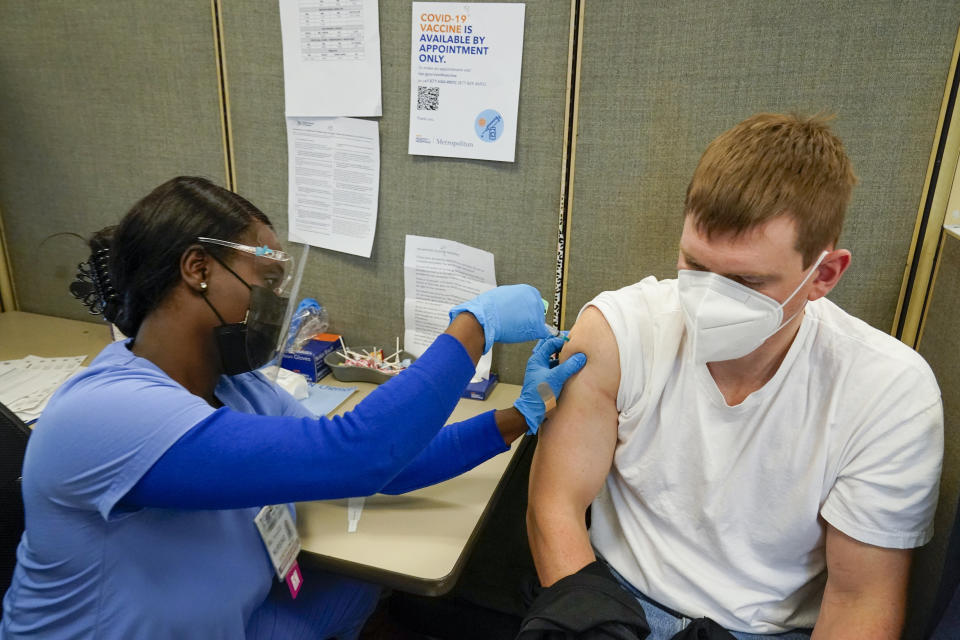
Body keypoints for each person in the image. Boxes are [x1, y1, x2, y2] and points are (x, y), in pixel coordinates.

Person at [0, 176, 586, 639]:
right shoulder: (107, 413)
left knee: (358, 589)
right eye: (266, 280)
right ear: (198, 269)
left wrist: (522, 415)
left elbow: (389, 464)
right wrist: (472, 328)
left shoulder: (239, 389)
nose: (274, 303)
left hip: (229, 623)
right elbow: (356, 452)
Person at [526, 114, 943, 639]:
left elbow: (861, 602)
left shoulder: (888, 394)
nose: (708, 299)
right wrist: (589, 624)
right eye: (695, 265)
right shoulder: (618, 332)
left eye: (746, 281)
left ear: (824, 275)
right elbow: (554, 506)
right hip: (613, 599)